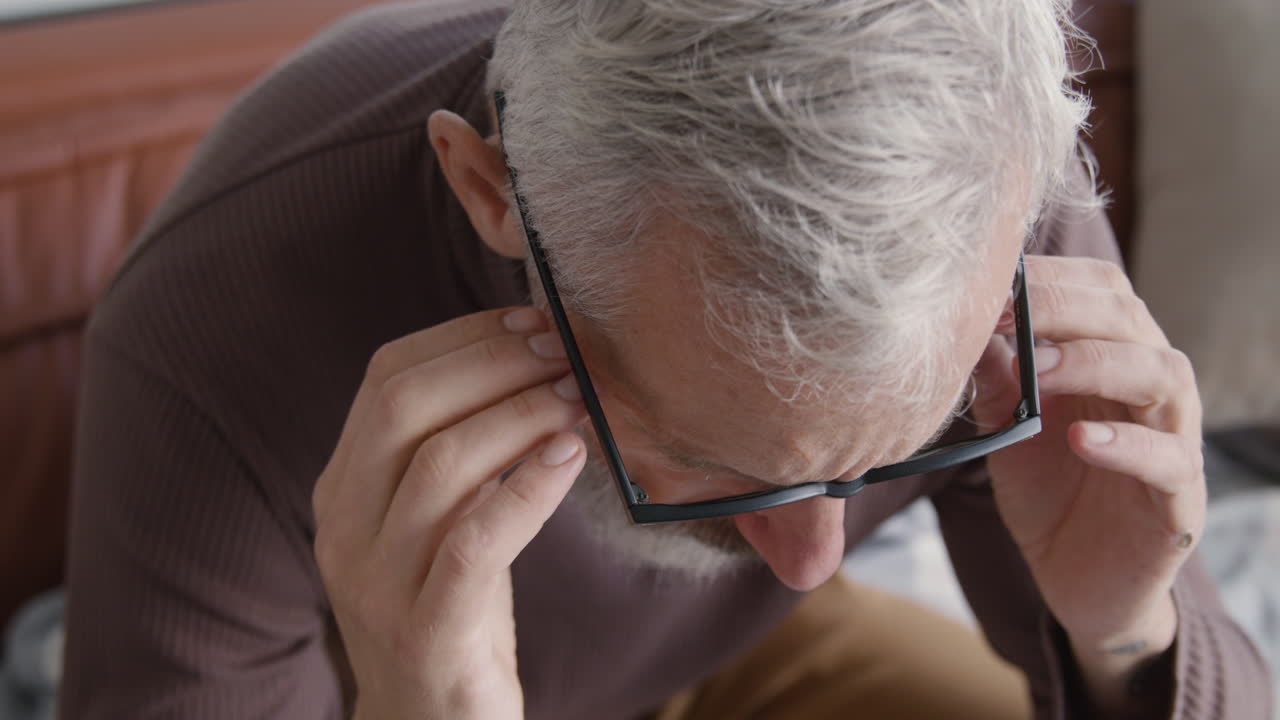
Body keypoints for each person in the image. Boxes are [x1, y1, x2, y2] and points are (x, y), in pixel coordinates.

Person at [60, 1, 1272, 719]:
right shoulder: (210, 327)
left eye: (880, 460)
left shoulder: (980, 203)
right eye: (706, 461)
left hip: (740, 675)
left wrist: (1126, 635)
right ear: (494, 194)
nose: (813, 560)